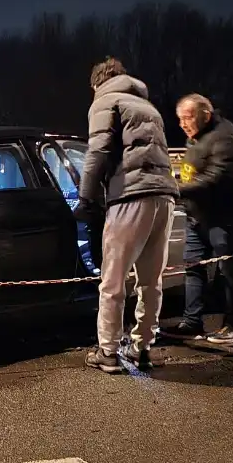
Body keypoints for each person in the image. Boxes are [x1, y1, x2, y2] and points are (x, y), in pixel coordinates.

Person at [75, 57, 179, 374]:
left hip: (130, 196)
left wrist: (86, 196)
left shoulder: (106, 100)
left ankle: (107, 351)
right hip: (165, 196)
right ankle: (144, 348)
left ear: (97, 83)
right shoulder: (147, 106)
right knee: (151, 281)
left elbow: (99, 150)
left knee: (113, 279)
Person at [162, 93, 233, 344]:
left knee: (228, 270)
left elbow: (217, 178)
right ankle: (192, 322)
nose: (183, 124)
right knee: (193, 268)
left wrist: (176, 189)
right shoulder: (197, 137)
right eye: (180, 119)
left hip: (226, 216)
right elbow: (193, 172)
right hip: (198, 215)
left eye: (188, 117)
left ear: (206, 113)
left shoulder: (227, 136)